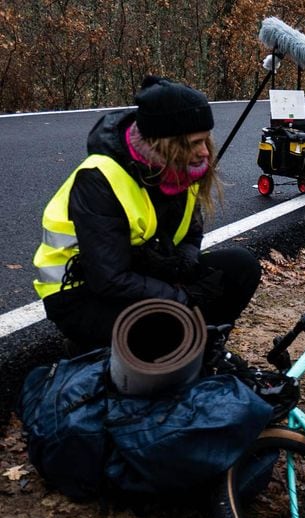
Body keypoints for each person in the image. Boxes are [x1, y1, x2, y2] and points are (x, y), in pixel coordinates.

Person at [33, 76, 261, 352]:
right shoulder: (100, 178)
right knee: (171, 321)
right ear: (165, 143)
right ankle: (91, 347)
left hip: (142, 274)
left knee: (240, 267)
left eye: (206, 140)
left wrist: (181, 267)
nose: (204, 152)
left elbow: (191, 234)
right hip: (81, 293)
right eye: (194, 143)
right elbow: (108, 279)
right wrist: (182, 298)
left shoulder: (182, 169)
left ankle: (201, 345)